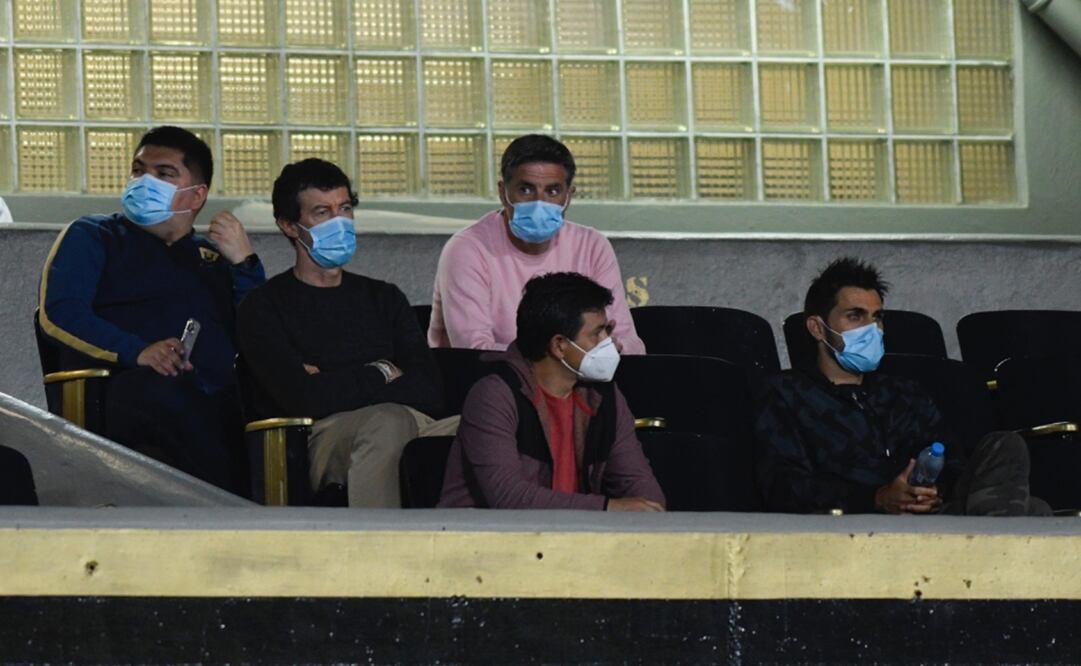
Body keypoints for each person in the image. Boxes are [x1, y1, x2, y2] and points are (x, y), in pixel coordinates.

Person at [38, 126, 265, 493]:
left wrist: (245, 265)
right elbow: (60, 314)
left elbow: (261, 336)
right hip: (130, 388)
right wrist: (138, 351)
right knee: (160, 393)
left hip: (217, 399)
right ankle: (235, 514)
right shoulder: (95, 235)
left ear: (197, 195)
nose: (144, 180)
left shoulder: (214, 259)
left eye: (164, 173)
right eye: (139, 169)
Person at [236, 158, 457, 508]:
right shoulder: (264, 306)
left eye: (345, 209)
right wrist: (383, 370)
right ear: (289, 226)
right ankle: (375, 552)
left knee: (483, 429)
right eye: (322, 213)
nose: (339, 223)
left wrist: (335, 380)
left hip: (412, 422)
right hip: (323, 436)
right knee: (387, 421)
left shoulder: (384, 297)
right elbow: (303, 398)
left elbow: (429, 390)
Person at [755, 257, 1049, 516]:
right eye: (855, 316)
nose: (871, 329)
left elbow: (953, 462)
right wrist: (878, 497)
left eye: (877, 318)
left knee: (1005, 444)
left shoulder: (904, 394)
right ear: (818, 328)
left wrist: (928, 494)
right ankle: (998, 555)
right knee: (1034, 511)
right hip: (853, 522)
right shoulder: (786, 393)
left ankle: (991, 548)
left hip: (933, 517)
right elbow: (784, 484)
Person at [439, 271, 665, 511]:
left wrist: (649, 511)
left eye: (607, 331)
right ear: (559, 346)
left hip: (567, 540)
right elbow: (507, 496)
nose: (609, 343)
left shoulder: (603, 397)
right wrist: (606, 508)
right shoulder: (494, 395)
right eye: (597, 333)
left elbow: (641, 486)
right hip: (483, 540)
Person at [428, 134, 645, 354]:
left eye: (552, 191)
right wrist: (566, 356)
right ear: (503, 193)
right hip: (493, 383)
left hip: (580, 383)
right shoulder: (468, 249)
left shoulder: (592, 246)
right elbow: (475, 352)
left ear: (569, 196)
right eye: (525, 189)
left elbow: (631, 344)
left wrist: (615, 348)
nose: (539, 203)